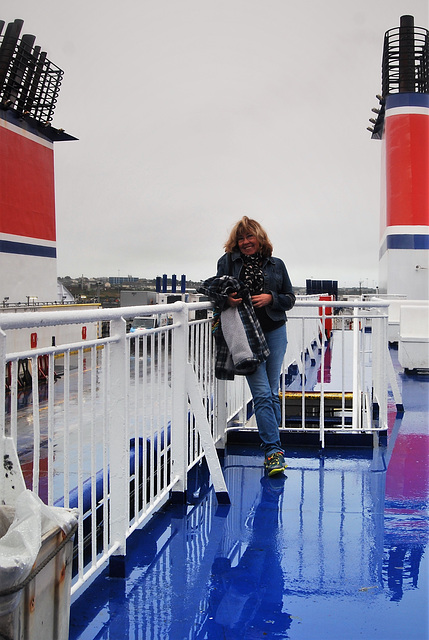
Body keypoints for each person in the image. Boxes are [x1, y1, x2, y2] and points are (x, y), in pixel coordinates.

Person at [216, 216, 295, 475]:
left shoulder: (276, 265)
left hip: (274, 331)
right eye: (241, 238)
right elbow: (216, 292)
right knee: (262, 393)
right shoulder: (227, 262)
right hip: (245, 335)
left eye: (250, 237)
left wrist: (271, 298)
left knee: (271, 392)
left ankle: (275, 446)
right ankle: (273, 452)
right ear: (235, 242)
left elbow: (289, 298)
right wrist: (227, 298)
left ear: (260, 239)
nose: (246, 242)